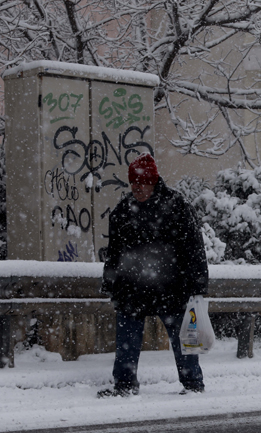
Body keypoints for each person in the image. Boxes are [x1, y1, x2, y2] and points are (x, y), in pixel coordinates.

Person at [97, 153, 209, 398]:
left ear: (153, 181)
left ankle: (193, 385)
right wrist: (111, 283)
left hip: (171, 286)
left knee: (184, 339)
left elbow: (194, 248)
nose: (136, 187)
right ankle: (124, 385)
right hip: (133, 288)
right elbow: (114, 252)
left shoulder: (176, 206)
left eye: (142, 182)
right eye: (133, 183)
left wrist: (198, 284)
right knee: (127, 339)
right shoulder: (123, 210)